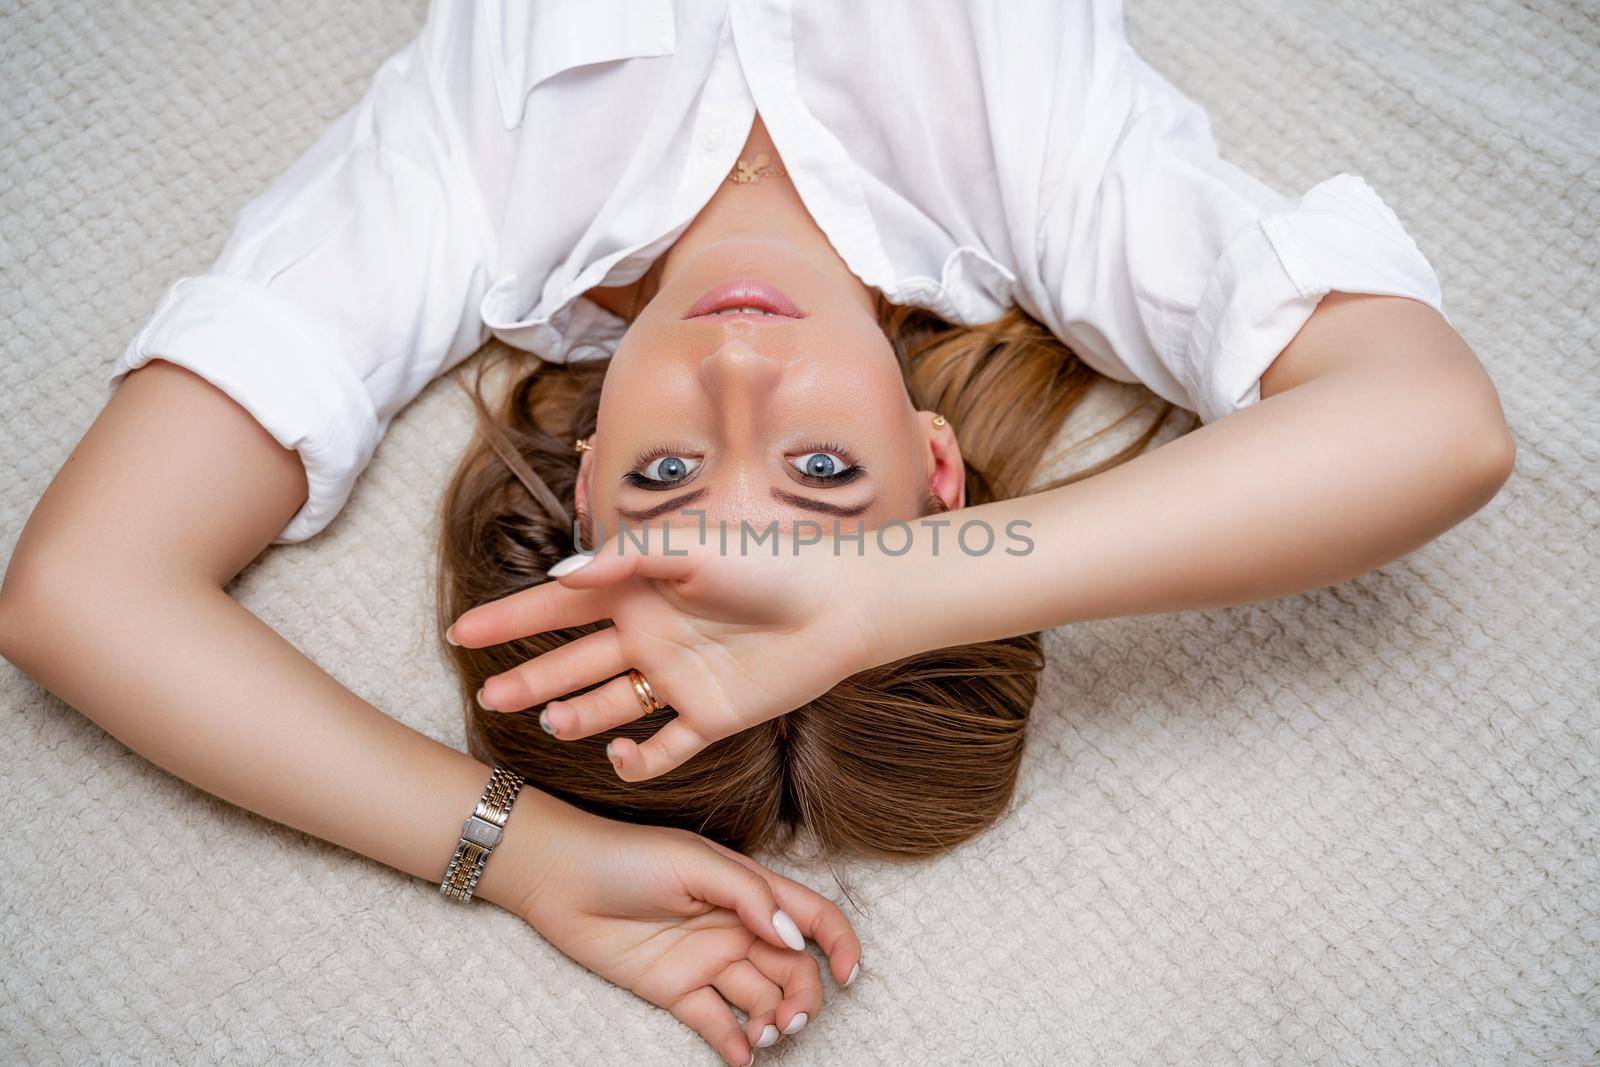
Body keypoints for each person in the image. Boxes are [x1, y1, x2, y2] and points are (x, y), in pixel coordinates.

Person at [0, 2, 1514, 1065]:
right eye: (824, 478)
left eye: (662, 471)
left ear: (581, 481)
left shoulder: (455, 201)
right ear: (937, 469)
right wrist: (888, 594)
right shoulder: (1051, 188)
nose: (733, 371)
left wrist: (518, 856)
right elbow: (1433, 424)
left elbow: (84, 589)